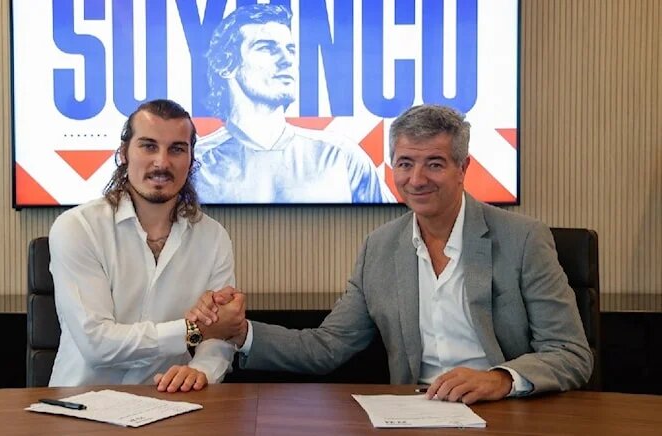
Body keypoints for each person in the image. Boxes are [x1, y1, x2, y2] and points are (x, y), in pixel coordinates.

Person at [191, 104, 593, 404]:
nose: (416, 179)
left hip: (506, 410)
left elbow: (570, 354)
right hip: (417, 413)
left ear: (462, 167)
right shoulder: (379, 248)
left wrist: (500, 379)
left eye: (434, 164)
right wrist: (240, 333)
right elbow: (327, 347)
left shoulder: (523, 239)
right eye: (405, 164)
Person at [48, 99, 246, 392]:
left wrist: (202, 371)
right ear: (123, 153)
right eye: (149, 146)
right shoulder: (77, 227)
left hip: (173, 401)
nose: (162, 163)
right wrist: (193, 331)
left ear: (191, 159)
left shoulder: (213, 237)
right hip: (82, 403)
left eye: (176, 149)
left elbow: (220, 333)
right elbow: (97, 344)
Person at [195, 4, 395, 204]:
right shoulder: (195, 164)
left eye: (290, 49)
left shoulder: (340, 155)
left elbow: (394, 223)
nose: (287, 60)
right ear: (226, 65)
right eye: (266, 47)